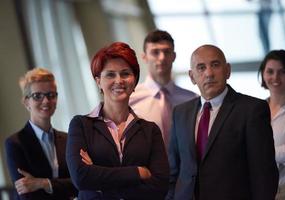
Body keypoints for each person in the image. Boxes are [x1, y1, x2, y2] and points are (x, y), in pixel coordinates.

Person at [166, 44, 279, 200]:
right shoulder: (180, 113)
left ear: (228, 70)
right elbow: (173, 170)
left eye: (215, 65)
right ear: (192, 77)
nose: (209, 73)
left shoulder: (252, 110)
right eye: (201, 67)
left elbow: (264, 174)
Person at [66, 42, 169, 200]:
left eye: (125, 73)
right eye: (110, 74)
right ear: (98, 81)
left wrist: (99, 183)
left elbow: (160, 187)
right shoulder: (80, 125)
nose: (119, 80)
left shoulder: (150, 130)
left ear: (134, 80)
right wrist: (138, 172)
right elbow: (80, 178)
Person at [5, 68, 77, 200]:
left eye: (51, 95)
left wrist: (42, 183)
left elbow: (79, 184)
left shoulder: (68, 139)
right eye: (37, 96)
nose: (46, 101)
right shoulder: (15, 143)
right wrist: (63, 186)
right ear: (26, 102)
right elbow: (27, 193)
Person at [129, 30, 197, 147]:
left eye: (167, 52)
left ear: (174, 56)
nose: (162, 57)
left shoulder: (192, 100)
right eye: (155, 52)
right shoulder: (130, 100)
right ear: (144, 57)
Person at [258, 49, 285, 200]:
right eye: (270, 71)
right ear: (263, 74)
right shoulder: (254, 110)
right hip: (258, 187)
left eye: (282, 72)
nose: (275, 77)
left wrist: (258, 153)